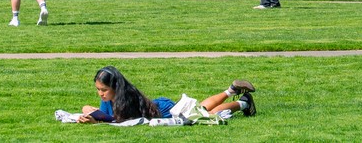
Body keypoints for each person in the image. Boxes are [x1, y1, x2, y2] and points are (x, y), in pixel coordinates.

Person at [76, 66, 255, 123]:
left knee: (204, 115)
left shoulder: (126, 98)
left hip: (167, 111)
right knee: (203, 108)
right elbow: (106, 115)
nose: (100, 94)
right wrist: (88, 110)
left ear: (115, 87)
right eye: (98, 90)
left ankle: (245, 102)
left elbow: (119, 121)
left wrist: (97, 120)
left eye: (104, 90)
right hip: (160, 106)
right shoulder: (112, 97)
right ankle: (231, 90)